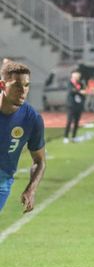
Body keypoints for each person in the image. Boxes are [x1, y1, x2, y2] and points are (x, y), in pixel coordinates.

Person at [0, 61, 46, 213]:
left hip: (2, 180)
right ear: (2, 85)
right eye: (17, 85)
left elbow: (39, 161)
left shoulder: (32, 119)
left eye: (26, 85)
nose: (23, 91)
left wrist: (31, 190)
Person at [64, 70, 85, 143]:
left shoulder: (81, 83)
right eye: (76, 74)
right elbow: (71, 91)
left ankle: (74, 136)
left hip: (78, 105)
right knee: (69, 121)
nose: (78, 76)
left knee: (76, 121)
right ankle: (66, 137)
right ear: (72, 75)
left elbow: (83, 92)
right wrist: (79, 91)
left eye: (78, 74)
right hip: (71, 105)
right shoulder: (70, 83)